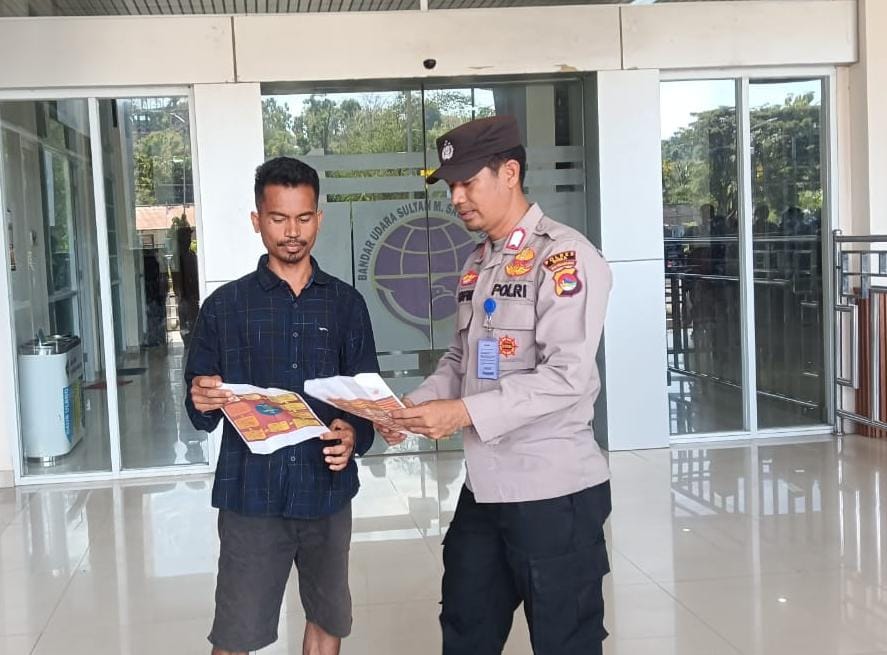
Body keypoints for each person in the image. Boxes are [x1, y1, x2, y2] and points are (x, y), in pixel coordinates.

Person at [377, 116, 613, 655]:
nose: (456, 198)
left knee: (564, 640)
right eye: (450, 186)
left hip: (552, 491)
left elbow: (567, 376)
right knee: (466, 625)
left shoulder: (564, 257)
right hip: (485, 487)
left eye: (467, 182)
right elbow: (461, 359)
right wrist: (410, 407)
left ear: (509, 173)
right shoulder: (478, 261)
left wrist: (460, 413)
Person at [184, 156, 379, 655]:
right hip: (251, 495)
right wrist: (201, 396)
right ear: (257, 220)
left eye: (304, 218)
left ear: (319, 218)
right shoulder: (224, 308)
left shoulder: (346, 305)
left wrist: (354, 434)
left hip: (326, 493)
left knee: (328, 619)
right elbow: (199, 410)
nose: (292, 232)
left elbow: (367, 401)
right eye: (278, 218)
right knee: (235, 634)